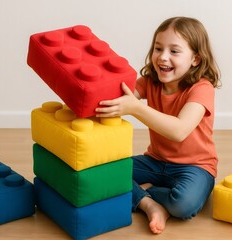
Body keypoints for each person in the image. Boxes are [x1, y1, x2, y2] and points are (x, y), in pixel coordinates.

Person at [95, 16, 221, 234]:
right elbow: (120, 97)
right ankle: (149, 204)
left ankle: (148, 192)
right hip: (155, 161)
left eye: (174, 51)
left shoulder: (202, 88)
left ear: (195, 59)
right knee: (101, 173)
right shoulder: (149, 82)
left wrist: (135, 108)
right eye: (158, 48)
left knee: (184, 204)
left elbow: (179, 130)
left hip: (195, 167)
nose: (163, 57)